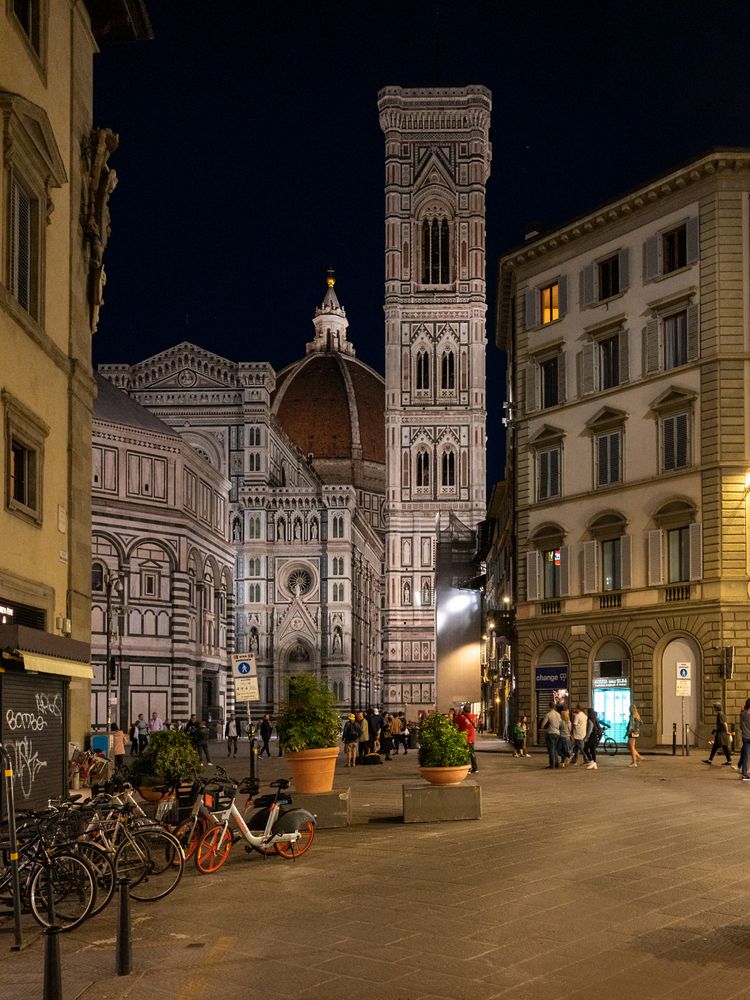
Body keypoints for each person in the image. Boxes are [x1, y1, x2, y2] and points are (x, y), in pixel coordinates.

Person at [703, 701, 734, 766]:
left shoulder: (720, 714)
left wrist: (727, 731)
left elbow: (725, 724)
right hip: (720, 733)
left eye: (714, 707)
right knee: (716, 747)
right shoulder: (720, 713)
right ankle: (710, 760)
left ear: (716, 708)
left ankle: (729, 761)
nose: (713, 709)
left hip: (721, 734)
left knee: (724, 747)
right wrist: (715, 730)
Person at [454, 704, 478, 773]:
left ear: (464, 710)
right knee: (472, 753)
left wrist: (460, 713)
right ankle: (475, 768)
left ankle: (468, 769)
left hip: (463, 737)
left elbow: (455, 722)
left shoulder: (460, 717)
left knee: (465, 753)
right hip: (472, 737)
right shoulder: (474, 716)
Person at [541, 701, 562, 769]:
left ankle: (552, 764)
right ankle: (557, 763)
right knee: (555, 749)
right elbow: (561, 723)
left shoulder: (548, 714)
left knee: (551, 750)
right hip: (557, 733)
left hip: (551, 733)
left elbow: (543, 724)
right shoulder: (558, 714)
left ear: (549, 707)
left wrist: (542, 726)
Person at [739, 698, 750, 781]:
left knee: (745, 755)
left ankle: (744, 774)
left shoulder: (742, 714)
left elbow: (740, 727)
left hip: (745, 737)